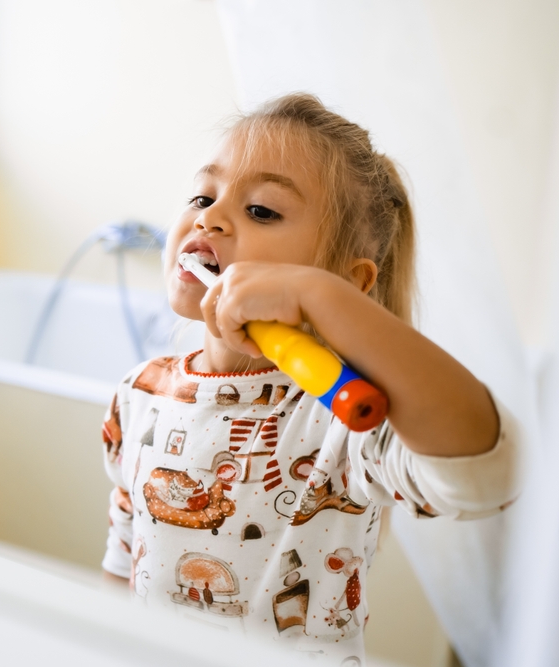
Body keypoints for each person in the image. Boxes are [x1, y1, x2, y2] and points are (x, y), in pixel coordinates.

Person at [100, 93, 522, 663]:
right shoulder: (139, 394)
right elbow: (123, 559)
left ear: (347, 283)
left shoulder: (343, 418)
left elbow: (489, 474)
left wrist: (322, 300)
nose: (209, 217)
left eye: (262, 211)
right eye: (203, 195)